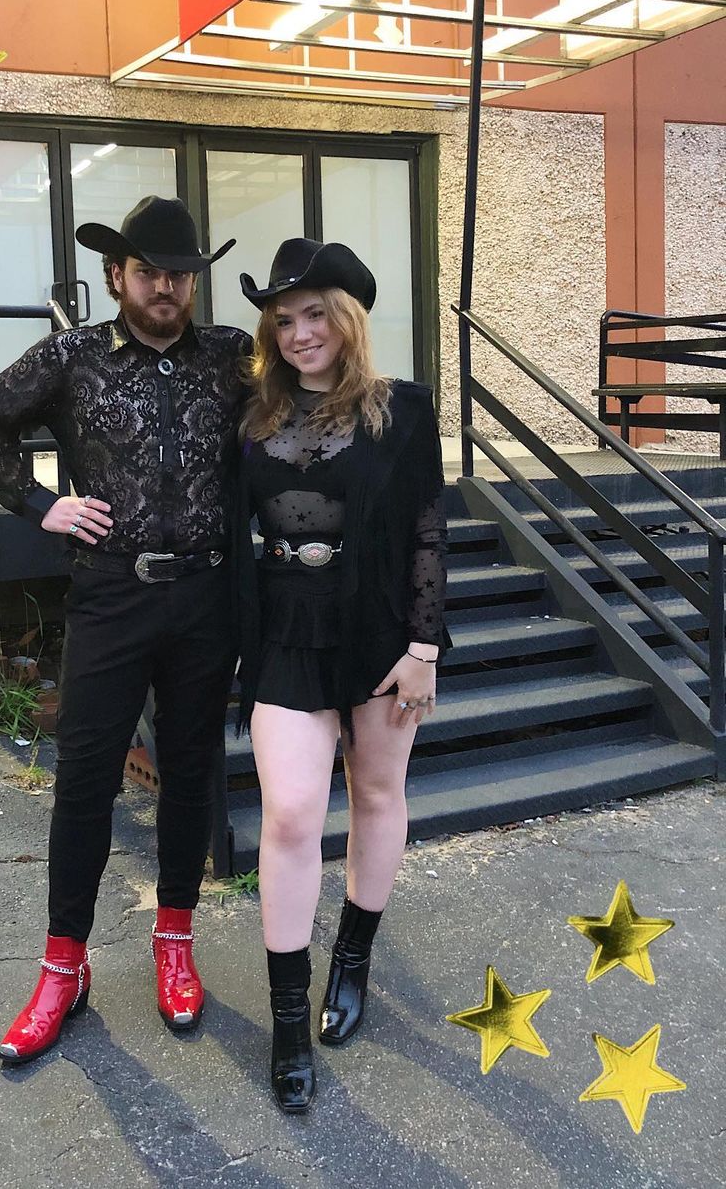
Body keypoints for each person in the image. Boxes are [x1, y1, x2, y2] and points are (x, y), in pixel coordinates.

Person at [0, 196, 251, 1065]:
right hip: (112, 596)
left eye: (180, 275)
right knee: (85, 780)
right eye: (149, 272)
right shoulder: (73, 356)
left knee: (191, 774)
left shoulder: (232, 355)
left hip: (206, 600)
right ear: (116, 276)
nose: (166, 287)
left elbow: (313, 387)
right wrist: (41, 504)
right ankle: (63, 968)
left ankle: (175, 942)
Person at [235, 238, 447, 1112]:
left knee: (376, 796)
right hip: (284, 625)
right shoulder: (252, 411)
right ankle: (289, 1022)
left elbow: (427, 526)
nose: (299, 333)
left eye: (314, 314)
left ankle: (351, 961)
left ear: (347, 318)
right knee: (289, 813)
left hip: (380, 630)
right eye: (283, 320)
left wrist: (424, 647)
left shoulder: (403, 409)